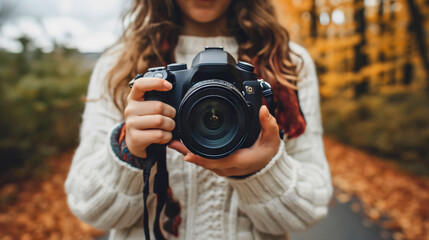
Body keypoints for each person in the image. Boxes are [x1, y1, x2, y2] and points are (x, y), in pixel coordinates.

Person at [65, 0, 333, 239]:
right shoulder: (119, 64)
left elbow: (310, 209)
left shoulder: (287, 63)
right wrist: (130, 152)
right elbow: (88, 207)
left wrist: (262, 172)